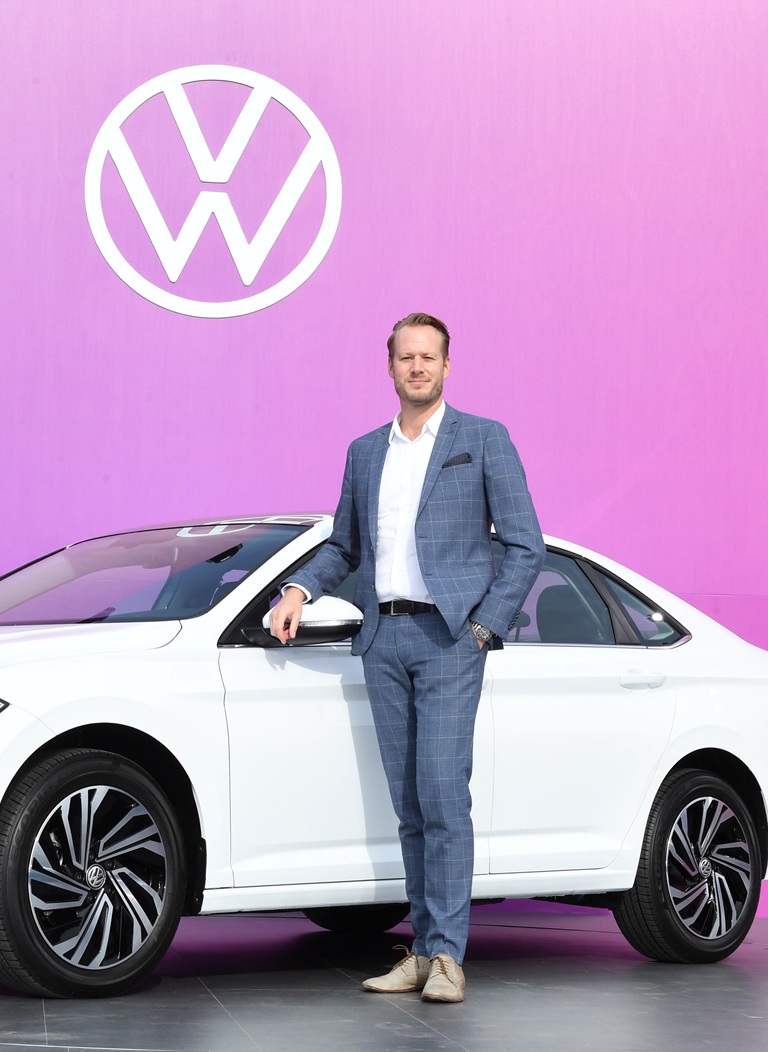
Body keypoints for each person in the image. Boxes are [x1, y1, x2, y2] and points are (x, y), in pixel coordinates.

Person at [270, 312, 544, 1002]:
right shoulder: (366, 452)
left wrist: (482, 627)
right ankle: (422, 951)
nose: (417, 367)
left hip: (450, 639)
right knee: (411, 807)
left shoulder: (482, 439)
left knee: (444, 795)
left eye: (429, 357)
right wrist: (299, 588)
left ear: (447, 366)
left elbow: (525, 544)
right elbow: (344, 546)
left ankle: (448, 956)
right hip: (383, 640)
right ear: (389, 367)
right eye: (406, 357)